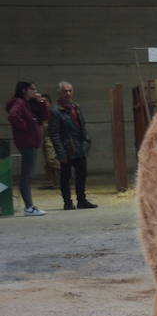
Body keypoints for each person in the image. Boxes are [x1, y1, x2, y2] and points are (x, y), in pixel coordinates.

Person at [50, 81, 97, 210]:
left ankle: (82, 200)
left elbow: (83, 127)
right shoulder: (55, 111)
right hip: (66, 148)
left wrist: (87, 142)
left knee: (82, 174)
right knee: (65, 176)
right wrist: (61, 153)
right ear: (59, 93)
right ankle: (67, 202)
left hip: (80, 147)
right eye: (65, 91)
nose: (68, 93)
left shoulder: (76, 107)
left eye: (70, 90)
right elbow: (54, 134)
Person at [7, 81, 49, 216]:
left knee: (27, 175)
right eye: (32, 89)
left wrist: (41, 102)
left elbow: (45, 117)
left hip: (31, 143)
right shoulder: (19, 102)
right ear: (24, 90)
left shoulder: (29, 104)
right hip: (27, 142)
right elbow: (13, 116)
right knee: (26, 176)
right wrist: (27, 129)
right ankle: (29, 207)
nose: (35, 91)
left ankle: (29, 206)